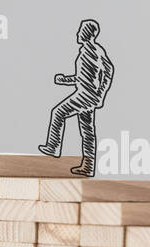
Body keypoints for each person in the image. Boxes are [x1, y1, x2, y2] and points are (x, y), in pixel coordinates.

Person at [38, 19, 114, 176]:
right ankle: (88, 165)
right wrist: (64, 80)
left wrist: (101, 93)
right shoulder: (92, 51)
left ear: (87, 33)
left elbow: (108, 71)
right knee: (87, 130)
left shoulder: (92, 51)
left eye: (81, 30)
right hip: (88, 94)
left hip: (86, 95)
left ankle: (53, 146)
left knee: (58, 112)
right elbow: (82, 77)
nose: (78, 33)